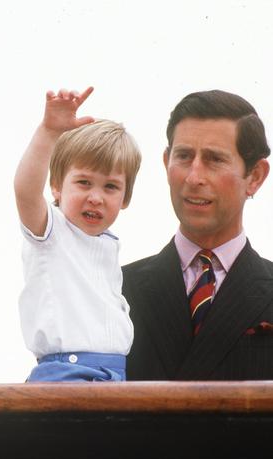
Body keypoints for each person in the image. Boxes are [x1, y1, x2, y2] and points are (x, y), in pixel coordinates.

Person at [123, 89, 272, 380]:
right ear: (166, 163)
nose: (193, 177)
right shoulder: (112, 291)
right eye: (184, 156)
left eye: (214, 159)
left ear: (255, 176)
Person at [14, 87, 142, 382]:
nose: (96, 197)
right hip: (67, 372)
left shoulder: (107, 246)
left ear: (125, 197)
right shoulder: (51, 232)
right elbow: (25, 190)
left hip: (114, 375)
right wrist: (48, 132)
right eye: (84, 183)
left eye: (110, 187)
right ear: (56, 186)